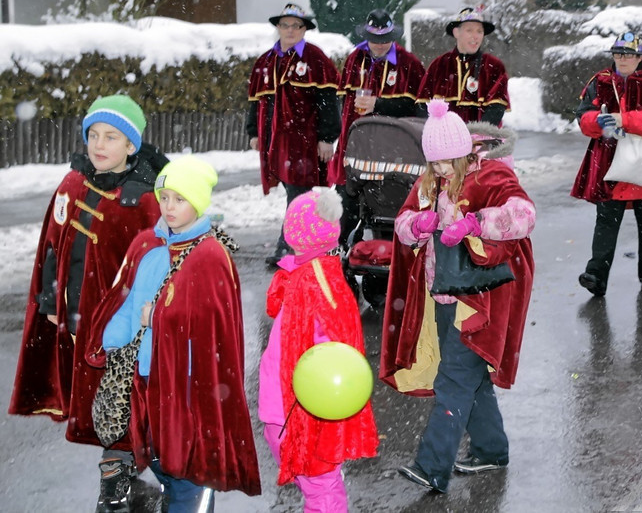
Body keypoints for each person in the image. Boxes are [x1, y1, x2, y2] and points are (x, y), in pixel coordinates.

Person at [8, 94, 166, 513]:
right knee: (99, 406)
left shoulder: (146, 199)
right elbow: (52, 244)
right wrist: (49, 299)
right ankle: (129, 481)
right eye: (93, 134)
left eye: (111, 137)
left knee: (121, 404)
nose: (99, 144)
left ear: (131, 144)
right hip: (77, 320)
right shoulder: (73, 184)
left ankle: (118, 489)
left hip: (121, 327)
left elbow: (159, 265)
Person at [380, 100, 536, 494]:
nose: (440, 169)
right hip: (442, 295)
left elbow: (524, 214)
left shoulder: (493, 175)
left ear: (466, 151)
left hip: (480, 299)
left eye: (448, 161)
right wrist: (418, 224)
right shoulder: (430, 181)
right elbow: (401, 223)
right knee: (472, 378)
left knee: (454, 379)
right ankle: (490, 449)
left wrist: (476, 223)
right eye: (433, 162)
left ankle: (432, 465)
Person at [93, 156, 261, 510]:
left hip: (187, 386)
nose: (169, 207)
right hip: (148, 378)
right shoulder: (151, 246)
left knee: (190, 474)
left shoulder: (209, 255)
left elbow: (210, 323)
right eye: (164, 197)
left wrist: (159, 316)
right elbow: (129, 299)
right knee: (162, 461)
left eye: (180, 199)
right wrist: (113, 337)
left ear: (197, 203)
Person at [259, 188, 379, 512]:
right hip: (284, 401)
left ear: (296, 233)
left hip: (301, 405)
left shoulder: (315, 282)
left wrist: (310, 404)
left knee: (318, 480)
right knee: (309, 474)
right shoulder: (306, 274)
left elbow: (332, 350)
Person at [571, 32, 642, 296]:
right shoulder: (600, 81)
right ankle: (596, 275)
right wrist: (598, 122)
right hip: (609, 165)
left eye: (629, 54)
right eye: (618, 54)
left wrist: (625, 120)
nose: (623, 59)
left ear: (640, 57)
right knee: (606, 222)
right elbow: (583, 115)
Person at [247, 3, 342, 265]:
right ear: (278, 27)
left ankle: (289, 246)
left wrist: (327, 137)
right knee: (293, 192)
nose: (290, 30)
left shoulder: (315, 59)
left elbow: (328, 102)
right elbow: (255, 102)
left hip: (303, 143)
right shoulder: (266, 61)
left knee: (298, 192)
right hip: (274, 143)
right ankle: (303, 242)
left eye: (296, 26)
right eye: (285, 25)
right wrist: (253, 132)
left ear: (304, 29)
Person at [327, 9, 426, 238]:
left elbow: (417, 108)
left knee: (387, 206)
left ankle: (386, 251)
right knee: (347, 203)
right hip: (356, 145)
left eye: (385, 39)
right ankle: (344, 249)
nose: (380, 45)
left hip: (392, 149)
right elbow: (344, 103)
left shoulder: (409, 63)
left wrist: (379, 104)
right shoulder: (355, 59)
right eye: (374, 39)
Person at [418, 6, 510, 125]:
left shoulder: (494, 66)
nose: (475, 36)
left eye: (479, 31)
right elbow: (422, 107)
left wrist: (477, 133)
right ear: (456, 32)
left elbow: (496, 109)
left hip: (481, 135)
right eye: (469, 30)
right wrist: (438, 130)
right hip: (444, 135)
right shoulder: (439, 65)